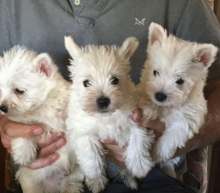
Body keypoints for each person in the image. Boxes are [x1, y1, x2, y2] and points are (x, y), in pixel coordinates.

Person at [0, 0, 220, 192]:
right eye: (87, 84)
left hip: (152, 176)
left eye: (114, 81)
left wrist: (177, 137)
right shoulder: (9, 5)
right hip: (45, 173)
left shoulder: (184, 5)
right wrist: (4, 122)